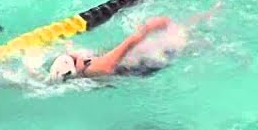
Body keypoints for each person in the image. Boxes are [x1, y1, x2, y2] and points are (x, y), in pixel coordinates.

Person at [48, 16, 184, 81]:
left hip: (136, 69)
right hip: (147, 63)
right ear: (76, 66)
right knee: (185, 37)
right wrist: (148, 28)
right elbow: (129, 44)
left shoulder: (80, 73)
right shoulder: (96, 67)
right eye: (73, 58)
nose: (76, 55)